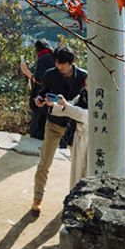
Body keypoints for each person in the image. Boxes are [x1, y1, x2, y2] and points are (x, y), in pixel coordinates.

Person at [30, 47, 87, 215]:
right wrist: (39, 100)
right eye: (56, 62)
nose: (58, 66)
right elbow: (42, 92)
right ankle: (37, 198)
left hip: (74, 127)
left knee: (79, 165)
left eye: (62, 63)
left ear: (71, 63)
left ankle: (77, 199)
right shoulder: (50, 74)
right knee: (44, 162)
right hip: (54, 123)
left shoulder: (84, 77)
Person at [48, 88, 90, 191]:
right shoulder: (82, 94)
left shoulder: (100, 97)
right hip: (75, 137)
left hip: (89, 139)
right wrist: (53, 105)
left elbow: (84, 115)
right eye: (85, 84)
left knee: (87, 171)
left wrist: (66, 105)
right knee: (77, 169)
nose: (87, 87)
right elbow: (68, 106)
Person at [19, 38, 56, 139]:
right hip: (55, 99)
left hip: (42, 99)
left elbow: (39, 80)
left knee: (38, 128)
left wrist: (26, 72)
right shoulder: (54, 56)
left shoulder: (42, 59)